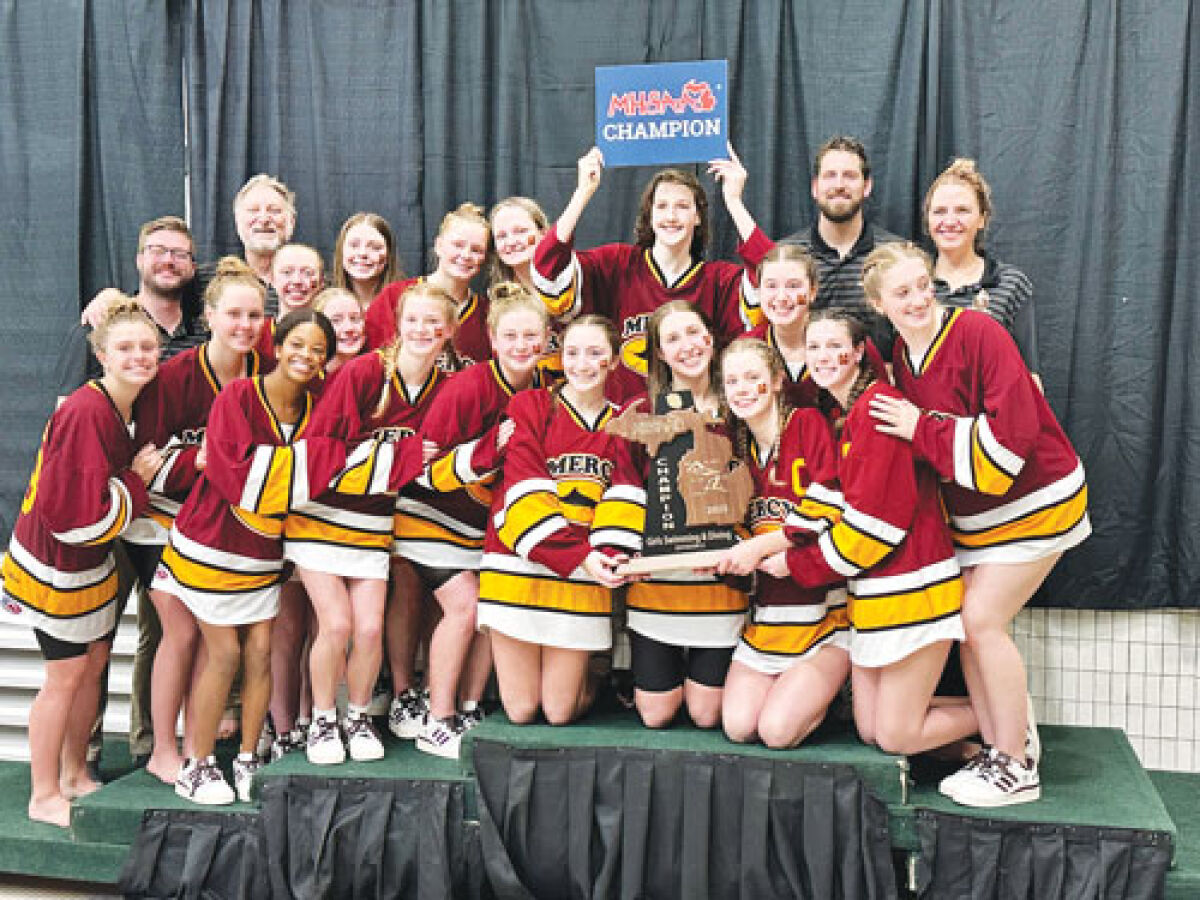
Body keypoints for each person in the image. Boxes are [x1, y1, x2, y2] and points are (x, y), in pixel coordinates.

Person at [866, 243, 1090, 807]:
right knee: (973, 626)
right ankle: (1001, 747)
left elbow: (1012, 438)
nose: (919, 298)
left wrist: (922, 426)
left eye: (924, 285)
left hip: (1039, 499)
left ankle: (1017, 764)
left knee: (981, 619)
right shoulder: (899, 354)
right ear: (879, 303)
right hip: (981, 522)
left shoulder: (980, 332)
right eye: (903, 292)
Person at [153, 310, 356, 804]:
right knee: (223, 655)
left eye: (317, 350)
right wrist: (296, 473)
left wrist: (286, 474)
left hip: (264, 552)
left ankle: (247, 758)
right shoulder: (239, 396)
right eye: (297, 345)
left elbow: (322, 470)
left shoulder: (315, 409)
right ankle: (196, 765)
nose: (305, 356)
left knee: (261, 654)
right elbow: (230, 474)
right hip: (211, 543)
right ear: (277, 344)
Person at [767, 308, 978, 760]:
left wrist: (795, 564)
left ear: (860, 351)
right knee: (870, 729)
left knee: (895, 736)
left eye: (834, 345)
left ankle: (1004, 714)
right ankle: (968, 747)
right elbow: (841, 501)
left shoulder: (877, 408)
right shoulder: (846, 413)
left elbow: (874, 530)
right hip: (875, 595)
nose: (823, 356)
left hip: (915, 590)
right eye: (814, 346)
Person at [2, 299, 163, 826]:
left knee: (92, 669)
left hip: (87, 562)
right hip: (58, 565)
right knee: (64, 678)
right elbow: (71, 517)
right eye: (125, 348)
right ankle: (43, 792)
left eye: (147, 347)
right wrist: (136, 483)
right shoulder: (85, 411)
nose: (138, 356)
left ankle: (73, 773)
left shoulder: (121, 405)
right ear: (100, 354)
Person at [55, 216, 202, 777]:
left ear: (192, 268)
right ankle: (80, 756)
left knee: (163, 630)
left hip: (163, 513)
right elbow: (70, 419)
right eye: (158, 251)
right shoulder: (101, 320)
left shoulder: (199, 330)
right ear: (139, 258)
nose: (169, 261)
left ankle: (149, 745)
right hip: (105, 511)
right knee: (93, 637)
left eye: (181, 255)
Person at [284, 287, 442, 766]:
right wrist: (401, 457)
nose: (423, 331)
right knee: (335, 625)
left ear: (449, 330)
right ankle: (323, 720)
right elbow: (320, 451)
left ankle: (357, 715)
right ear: (396, 323)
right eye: (413, 320)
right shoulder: (366, 370)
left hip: (373, 524)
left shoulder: (444, 383)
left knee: (370, 629)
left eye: (434, 322)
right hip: (319, 518)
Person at [400, 282, 553, 744]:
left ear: (546, 341)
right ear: (491, 339)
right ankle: (436, 720)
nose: (522, 346)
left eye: (531, 337)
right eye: (511, 337)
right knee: (465, 607)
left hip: (479, 527)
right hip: (427, 516)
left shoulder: (548, 387)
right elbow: (424, 471)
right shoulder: (468, 387)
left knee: (495, 607)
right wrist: (490, 448)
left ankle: (467, 708)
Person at [135, 257, 267, 784]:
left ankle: (201, 745)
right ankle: (162, 748)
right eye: (234, 314)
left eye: (255, 315)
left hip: (219, 527)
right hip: (161, 522)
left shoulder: (265, 373)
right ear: (209, 316)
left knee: (226, 639)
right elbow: (143, 463)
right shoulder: (175, 377)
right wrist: (203, 460)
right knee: (182, 631)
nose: (245, 325)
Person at [476, 315, 642, 725]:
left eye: (595, 352)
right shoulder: (529, 406)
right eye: (572, 353)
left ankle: (598, 671)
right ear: (559, 356)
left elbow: (623, 494)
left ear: (614, 360)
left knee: (558, 711)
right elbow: (523, 487)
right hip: (518, 563)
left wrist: (603, 556)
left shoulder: (625, 424)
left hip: (580, 575)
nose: (582, 364)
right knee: (520, 710)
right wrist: (580, 555)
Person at [532, 146, 772, 403]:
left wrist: (734, 203)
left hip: (695, 424)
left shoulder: (719, 281)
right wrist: (582, 193)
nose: (671, 216)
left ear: (698, 216)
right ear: (650, 215)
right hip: (621, 421)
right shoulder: (616, 264)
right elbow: (548, 271)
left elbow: (772, 278)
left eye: (682, 206)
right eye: (662, 206)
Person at [714, 338, 851, 748]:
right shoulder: (731, 448)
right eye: (732, 380)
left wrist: (765, 547)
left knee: (776, 733)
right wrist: (726, 557)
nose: (742, 388)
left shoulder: (806, 423)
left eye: (752, 377)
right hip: (768, 621)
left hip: (823, 621)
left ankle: (830, 697)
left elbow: (834, 500)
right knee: (739, 727)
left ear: (775, 381)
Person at [623, 301, 749, 729]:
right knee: (656, 716)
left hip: (718, 576)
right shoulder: (644, 411)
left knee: (705, 714)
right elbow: (625, 484)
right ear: (658, 353)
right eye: (672, 339)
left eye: (693, 333)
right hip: (659, 578)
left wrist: (740, 545)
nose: (687, 346)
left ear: (710, 339)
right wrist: (625, 549)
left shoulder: (740, 403)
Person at [782, 136, 902, 355]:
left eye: (849, 176)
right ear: (815, 187)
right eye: (830, 176)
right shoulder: (788, 257)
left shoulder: (895, 256)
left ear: (867, 186)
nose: (839, 185)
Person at [924, 158, 1039, 379]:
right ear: (927, 219)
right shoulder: (912, 286)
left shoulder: (1011, 284)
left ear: (982, 219)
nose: (949, 221)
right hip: (919, 412)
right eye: (939, 211)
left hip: (988, 412)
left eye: (962, 210)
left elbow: (1029, 378)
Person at [364, 203, 491, 367]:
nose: (466, 255)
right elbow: (371, 366)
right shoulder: (394, 297)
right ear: (439, 246)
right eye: (458, 245)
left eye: (476, 250)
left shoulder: (487, 314)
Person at [256, 243, 325, 364]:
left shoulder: (331, 334)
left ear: (321, 281)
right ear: (271, 279)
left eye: (307, 273)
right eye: (287, 272)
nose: (297, 281)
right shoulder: (258, 335)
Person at [332, 212, 402, 310]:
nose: (362, 253)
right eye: (354, 245)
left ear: (389, 255)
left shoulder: (407, 301)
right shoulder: (324, 303)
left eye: (375, 247)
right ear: (341, 251)